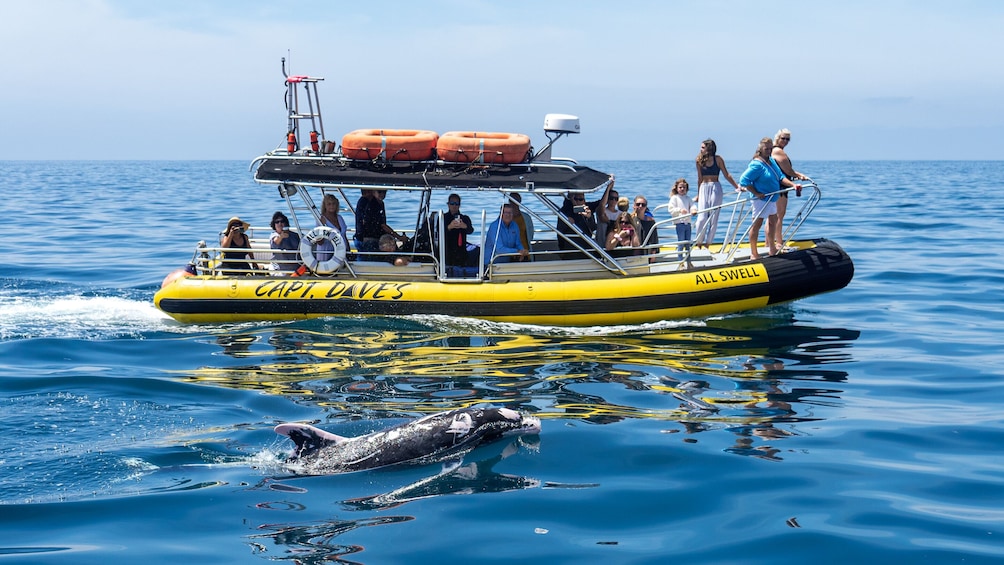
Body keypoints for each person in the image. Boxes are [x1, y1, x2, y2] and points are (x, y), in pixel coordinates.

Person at [739, 137, 801, 260]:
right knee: (757, 224)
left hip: (772, 198)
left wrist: (793, 185)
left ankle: (772, 248)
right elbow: (743, 180)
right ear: (760, 149)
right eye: (766, 149)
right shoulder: (757, 164)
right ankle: (754, 253)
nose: (768, 151)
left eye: (770, 148)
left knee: (773, 222)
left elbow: (780, 176)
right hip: (761, 199)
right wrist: (756, 193)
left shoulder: (772, 162)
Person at [694, 138, 739, 249]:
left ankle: (708, 244)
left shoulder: (718, 159)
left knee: (713, 218)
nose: (701, 149)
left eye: (703, 147)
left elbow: (726, 174)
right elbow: (699, 178)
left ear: (709, 148)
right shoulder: (699, 160)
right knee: (702, 218)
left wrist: (737, 187)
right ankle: (699, 242)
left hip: (715, 187)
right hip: (704, 187)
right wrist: (698, 194)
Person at [771, 128, 809, 249]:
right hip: (780, 186)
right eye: (783, 138)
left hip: (778, 185)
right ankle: (778, 243)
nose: (785, 141)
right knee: (779, 215)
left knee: (775, 215)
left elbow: (787, 170)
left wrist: (798, 175)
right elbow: (787, 170)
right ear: (778, 138)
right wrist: (799, 176)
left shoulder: (776, 150)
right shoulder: (777, 151)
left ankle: (772, 241)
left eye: (788, 139)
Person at [355, 189, 405, 253]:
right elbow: (382, 225)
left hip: (365, 237)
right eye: (379, 192)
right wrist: (398, 237)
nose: (382, 194)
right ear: (373, 191)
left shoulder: (376, 203)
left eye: (384, 192)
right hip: (369, 239)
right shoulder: (372, 204)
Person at [558, 191, 598, 257]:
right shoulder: (565, 212)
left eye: (580, 199)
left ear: (584, 201)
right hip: (572, 248)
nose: (578, 202)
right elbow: (560, 231)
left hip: (586, 247)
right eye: (575, 199)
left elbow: (593, 228)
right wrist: (561, 248)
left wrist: (589, 217)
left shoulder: (587, 211)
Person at [441, 193, 474, 267]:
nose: (454, 206)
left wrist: (464, 226)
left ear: (459, 205)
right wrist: (449, 227)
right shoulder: (443, 218)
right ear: (448, 204)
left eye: (457, 204)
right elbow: (437, 233)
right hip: (446, 251)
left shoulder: (465, 218)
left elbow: (471, 230)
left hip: (461, 252)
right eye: (452, 203)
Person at [668, 178, 697, 259]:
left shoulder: (688, 198)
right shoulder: (674, 198)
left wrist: (694, 210)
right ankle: (680, 260)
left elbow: (692, 205)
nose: (682, 189)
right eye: (680, 187)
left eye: (684, 187)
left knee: (688, 243)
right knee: (681, 242)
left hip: (687, 223)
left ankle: (688, 260)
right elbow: (671, 209)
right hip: (679, 223)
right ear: (677, 188)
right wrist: (679, 210)